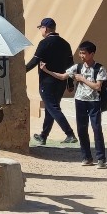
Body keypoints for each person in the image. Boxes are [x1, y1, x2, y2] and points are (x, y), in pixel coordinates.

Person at [24, 17, 76, 146]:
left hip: (47, 82)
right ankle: (43, 136)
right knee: (50, 108)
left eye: (41, 28)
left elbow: (35, 61)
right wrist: (70, 83)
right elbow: (70, 65)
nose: (40, 30)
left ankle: (70, 134)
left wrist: (22, 71)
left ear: (46, 28)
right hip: (61, 83)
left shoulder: (44, 43)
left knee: (53, 108)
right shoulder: (65, 44)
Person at [68, 42, 107, 168]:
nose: (81, 55)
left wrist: (82, 79)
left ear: (92, 54)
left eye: (84, 53)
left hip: (94, 101)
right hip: (80, 100)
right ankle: (86, 157)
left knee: (96, 128)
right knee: (81, 129)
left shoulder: (99, 68)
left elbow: (97, 86)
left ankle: (101, 158)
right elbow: (63, 76)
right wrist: (46, 70)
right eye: (80, 53)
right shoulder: (78, 67)